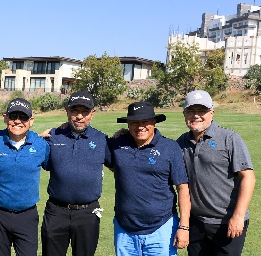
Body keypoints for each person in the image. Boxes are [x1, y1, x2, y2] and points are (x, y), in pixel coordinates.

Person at [176, 90, 256, 256]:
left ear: (211, 113)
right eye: (191, 111)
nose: (196, 115)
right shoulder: (181, 142)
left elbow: (248, 177)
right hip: (197, 223)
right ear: (184, 114)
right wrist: (127, 135)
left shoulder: (229, 138)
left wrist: (238, 216)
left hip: (227, 222)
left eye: (202, 111)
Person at [108, 101, 191, 256]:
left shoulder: (170, 147)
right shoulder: (116, 144)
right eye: (134, 122)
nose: (140, 127)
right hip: (124, 230)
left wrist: (184, 227)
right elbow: (97, 153)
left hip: (161, 228)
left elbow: (182, 188)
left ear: (154, 122)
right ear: (128, 124)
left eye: (145, 121)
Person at [40, 91, 110, 256]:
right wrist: (36, 137)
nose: (79, 116)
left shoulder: (102, 140)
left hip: (88, 213)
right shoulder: (53, 136)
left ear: (92, 113)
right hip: (56, 211)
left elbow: (119, 164)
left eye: (84, 112)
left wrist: (124, 132)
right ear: (67, 111)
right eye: (74, 111)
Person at [0, 98, 50, 256]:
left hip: (27, 215)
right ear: (5, 117)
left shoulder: (41, 144)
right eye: (13, 116)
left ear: (31, 121)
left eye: (23, 117)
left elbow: (53, 167)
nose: (18, 121)